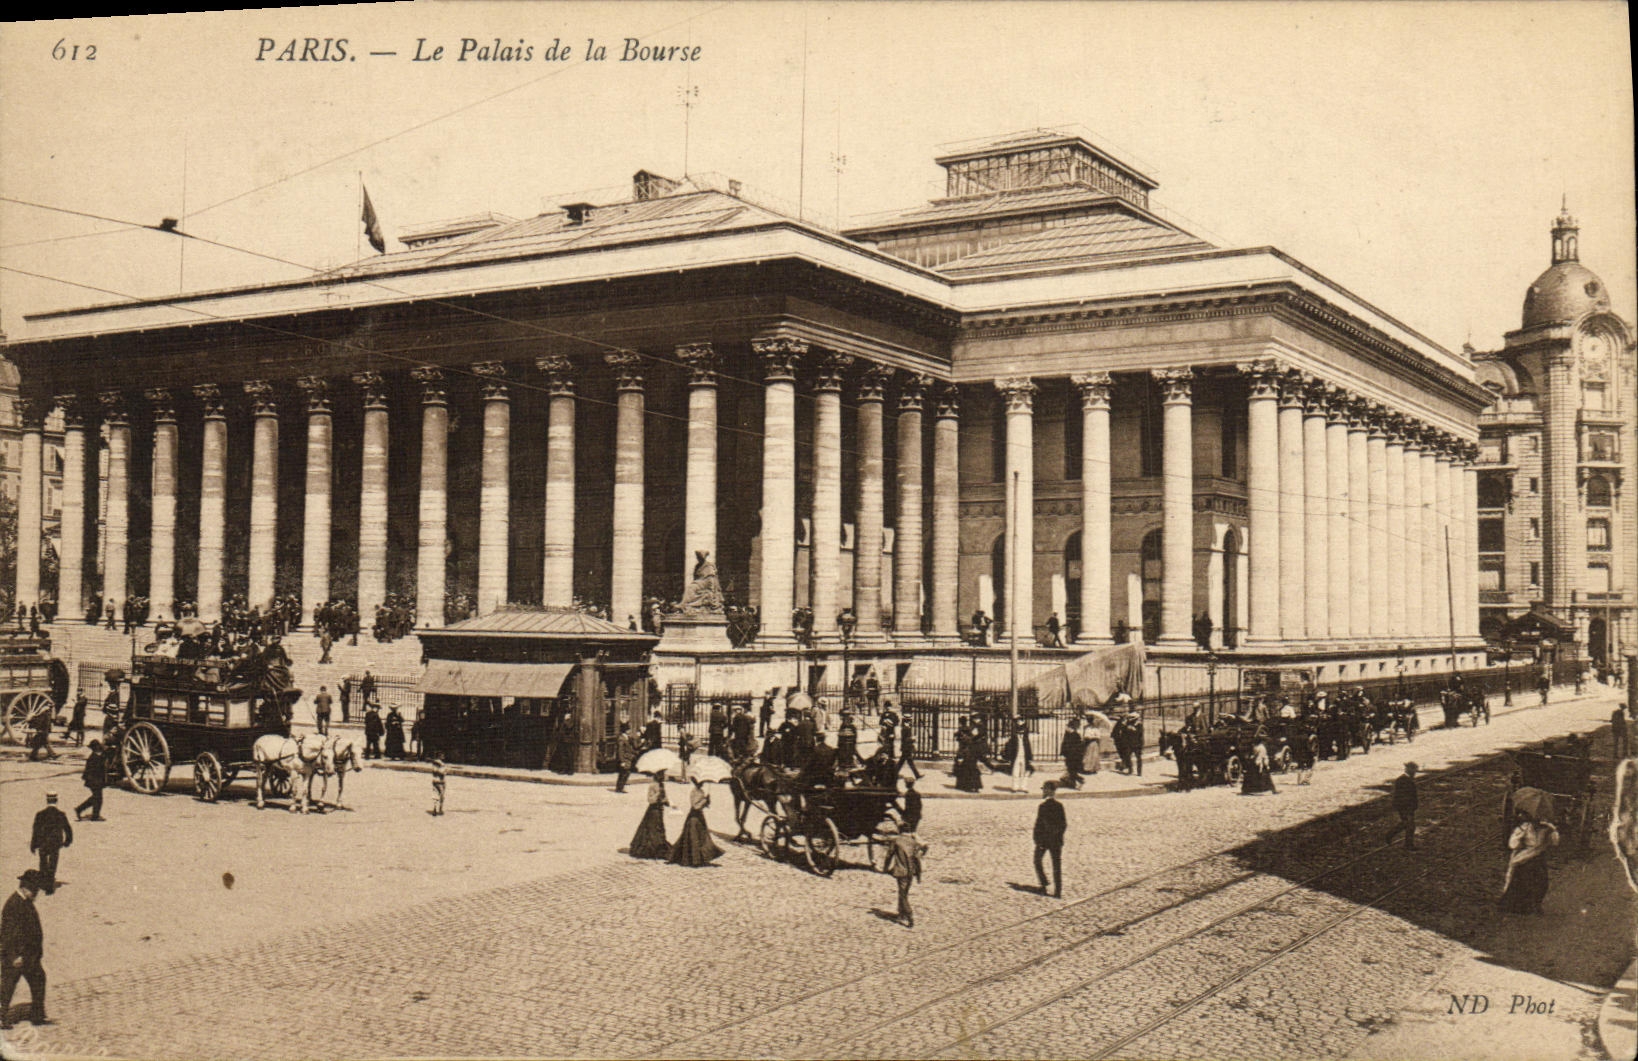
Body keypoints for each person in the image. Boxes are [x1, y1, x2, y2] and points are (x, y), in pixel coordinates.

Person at [1, 869, 50, 1030]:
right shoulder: (13, 904)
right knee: (8, 986)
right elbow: (8, 934)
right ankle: (2, 1018)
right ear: (25, 887)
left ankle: (37, 1015)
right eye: (34, 890)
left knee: (38, 980)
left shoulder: (26, 902)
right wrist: (15, 956)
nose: (36, 894)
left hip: (30, 956)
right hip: (16, 956)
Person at [1499, 811, 1559, 914]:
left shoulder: (1546, 830)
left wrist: (1553, 830)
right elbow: (1512, 845)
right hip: (1525, 858)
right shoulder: (1524, 828)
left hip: (1539, 857)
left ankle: (1536, 904)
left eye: (1540, 820)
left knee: (1542, 882)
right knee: (1525, 881)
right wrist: (1520, 840)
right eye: (1535, 820)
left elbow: (1555, 843)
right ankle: (1522, 907)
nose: (1538, 823)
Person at [668, 778, 723, 867]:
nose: (703, 783)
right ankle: (694, 860)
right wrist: (704, 800)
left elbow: (702, 805)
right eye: (701, 782)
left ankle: (700, 858)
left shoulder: (700, 791)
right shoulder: (694, 792)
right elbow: (695, 806)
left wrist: (707, 801)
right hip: (694, 818)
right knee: (694, 837)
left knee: (702, 837)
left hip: (699, 817)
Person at [881, 823, 926, 928]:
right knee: (904, 892)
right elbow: (920, 853)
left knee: (903, 895)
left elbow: (889, 855)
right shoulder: (913, 842)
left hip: (901, 871)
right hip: (911, 872)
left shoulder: (896, 841)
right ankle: (901, 914)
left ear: (900, 831)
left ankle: (909, 915)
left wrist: (885, 868)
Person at [30, 795, 72, 894]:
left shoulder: (40, 814)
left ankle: (44, 882)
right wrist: (67, 842)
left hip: (43, 842)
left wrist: (33, 844)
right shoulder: (61, 814)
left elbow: (35, 830)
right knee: (53, 864)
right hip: (55, 843)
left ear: (47, 801)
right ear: (56, 801)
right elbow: (68, 829)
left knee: (43, 862)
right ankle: (49, 886)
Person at [1033, 780, 1067, 897]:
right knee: (1056, 865)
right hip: (1056, 841)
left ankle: (1043, 884)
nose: (1043, 791)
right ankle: (1058, 891)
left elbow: (1039, 825)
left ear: (1049, 791)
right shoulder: (1059, 806)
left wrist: (1038, 840)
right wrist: (1058, 837)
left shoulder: (1043, 807)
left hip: (1044, 841)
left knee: (1037, 861)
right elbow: (1063, 825)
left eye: (1044, 789)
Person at [1384, 762, 1419, 850]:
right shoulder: (1402, 780)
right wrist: (1407, 806)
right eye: (1414, 770)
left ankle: (1390, 835)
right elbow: (1401, 795)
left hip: (1408, 806)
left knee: (1406, 824)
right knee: (1410, 825)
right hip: (1404, 806)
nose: (1415, 772)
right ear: (1408, 769)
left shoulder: (1407, 779)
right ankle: (1408, 844)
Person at [75, 741, 107, 821]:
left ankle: (80, 809)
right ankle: (94, 816)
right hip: (94, 781)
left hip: (94, 780)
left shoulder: (95, 756)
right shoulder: (95, 758)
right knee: (98, 798)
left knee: (96, 798)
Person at [1001, 718, 1034, 794]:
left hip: (1024, 756)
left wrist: (1029, 757)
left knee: (1024, 772)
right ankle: (1014, 787)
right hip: (1016, 756)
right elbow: (1011, 747)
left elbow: (1028, 747)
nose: (1021, 733)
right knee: (1015, 772)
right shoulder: (1014, 738)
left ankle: (1024, 787)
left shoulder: (1025, 738)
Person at [614, 723, 640, 793]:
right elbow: (620, 750)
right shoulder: (621, 739)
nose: (630, 731)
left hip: (628, 758)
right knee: (624, 773)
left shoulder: (627, 738)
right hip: (625, 758)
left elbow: (633, 747)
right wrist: (622, 761)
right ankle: (620, 787)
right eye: (629, 729)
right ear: (625, 730)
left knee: (625, 772)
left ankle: (620, 787)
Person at [1060, 720, 1083, 790]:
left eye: (1067, 727)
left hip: (1073, 756)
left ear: (1071, 727)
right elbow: (1064, 744)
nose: (1066, 728)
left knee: (1072, 770)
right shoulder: (1067, 734)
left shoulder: (1076, 735)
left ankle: (1079, 782)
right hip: (1069, 755)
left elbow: (1078, 747)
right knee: (1070, 770)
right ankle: (1072, 782)